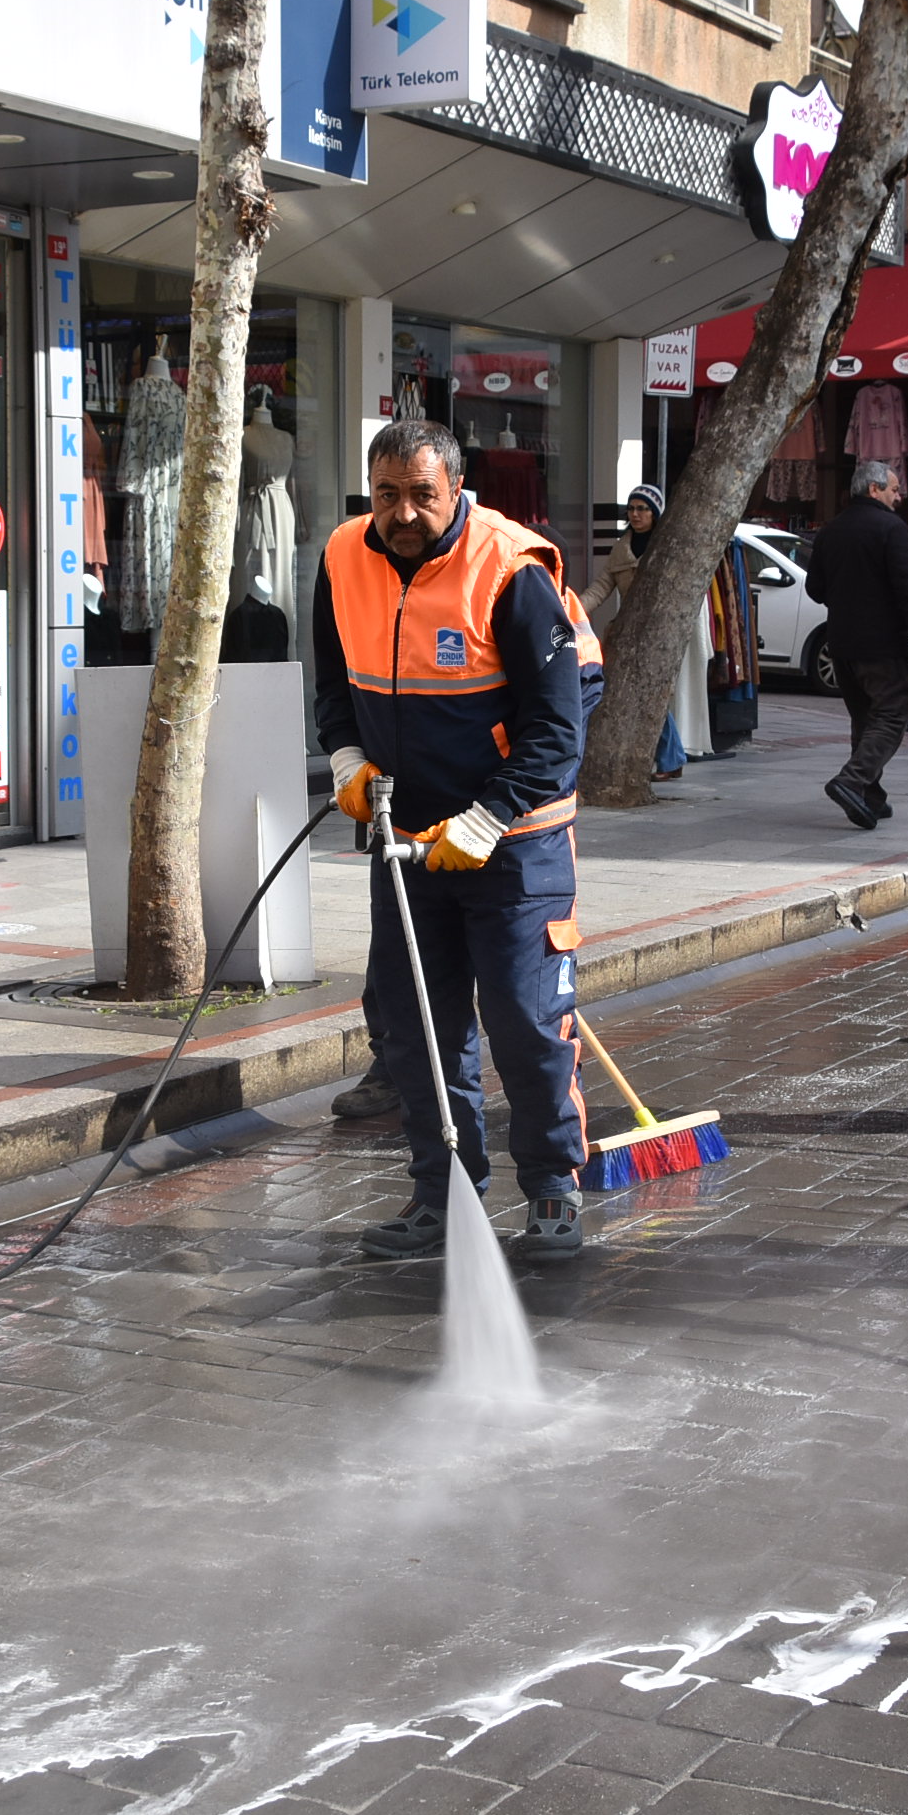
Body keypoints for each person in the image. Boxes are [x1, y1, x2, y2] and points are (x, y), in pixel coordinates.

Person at [315, 418, 594, 1260]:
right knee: (416, 1030)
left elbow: (558, 729)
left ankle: (552, 1191)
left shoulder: (511, 569)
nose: (403, 514)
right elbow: (335, 684)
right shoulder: (342, 556)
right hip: (406, 843)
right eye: (387, 495)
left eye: (422, 495)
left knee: (525, 1022)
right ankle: (445, 1196)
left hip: (515, 847)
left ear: (458, 489)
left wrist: (488, 818)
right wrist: (345, 757)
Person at [805, 461, 908, 826]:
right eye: (894, 489)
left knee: (864, 719)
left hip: (841, 642)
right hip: (882, 644)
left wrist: (845, 598)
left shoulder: (831, 531)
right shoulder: (891, 529)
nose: (899, 496)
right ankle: (852, 781)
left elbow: (815, 588)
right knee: (892, 713)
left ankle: (868, 795)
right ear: (873, 489)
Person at [593, 482, 689, 781]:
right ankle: (657, 758)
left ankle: (671, 759)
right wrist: (571, 609)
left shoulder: (666, 547)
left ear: (655, 513)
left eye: (643, 509)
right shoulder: (621, 548)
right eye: (632, 509)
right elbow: (601, 587)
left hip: (658, 635)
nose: (635, 514)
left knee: (650, 696)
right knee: (624, 694)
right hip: (625, 634)